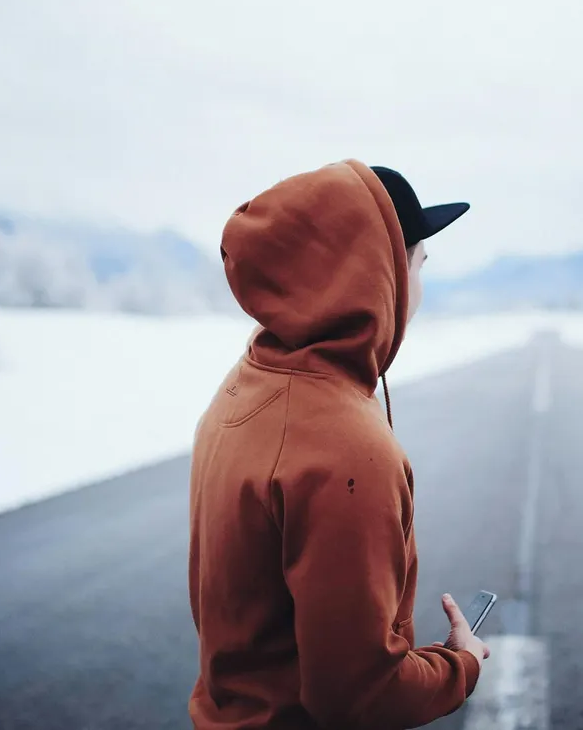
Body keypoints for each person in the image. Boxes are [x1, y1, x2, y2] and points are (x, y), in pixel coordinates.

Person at [188, 160, 488, 729]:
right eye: (419, 264)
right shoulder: (348, 449)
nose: (419, 287)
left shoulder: (246, 384)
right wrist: (461, 665)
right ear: (382, 273)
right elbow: (362, 696)